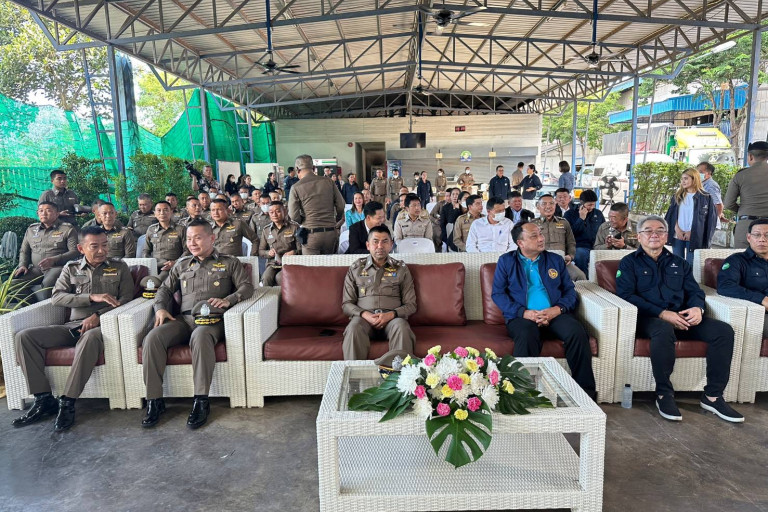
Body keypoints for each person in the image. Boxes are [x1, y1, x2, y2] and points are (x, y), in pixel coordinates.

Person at [616, 216, 743, 423]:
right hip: (649, 319)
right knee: (663, 329)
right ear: (639, 236)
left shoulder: (680, 263)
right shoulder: (629, 263)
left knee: (723, 331)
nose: (654, 234)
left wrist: (697, 308)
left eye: (660, 230)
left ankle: (713, 396)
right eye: (648, 230)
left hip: (682, 317)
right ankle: (664, 393)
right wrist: (662, 313)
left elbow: (695, 291)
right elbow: (626, 295)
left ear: (667, 236)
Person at [11, 226, 134, 431]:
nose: (102, 250)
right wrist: (90, 297)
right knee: (25, 337)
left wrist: (98, 316)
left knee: (89, 338)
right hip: (72, 326)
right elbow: (57, 297)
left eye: (105, 245)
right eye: (95, 246)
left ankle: (67, 401)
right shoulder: (71, 268)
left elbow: (127, 299)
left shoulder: (120, 267)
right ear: (81, 248)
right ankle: (43, 398)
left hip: (103, 327)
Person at [140, 220, 253, 429]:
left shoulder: (229, 262)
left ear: (212, 238)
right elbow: (164, 290)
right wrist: (160, 308)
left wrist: (229, 300)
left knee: (200, 336)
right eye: (189, 239)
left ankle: (201, 401)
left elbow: (246, 287)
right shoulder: (181, 264)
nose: (192, 243)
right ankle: (154, 400)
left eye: (198, 238)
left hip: (212, 321)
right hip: (183, 320)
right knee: (153, 338)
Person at [492, 220, 596, 397]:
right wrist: (524, 313)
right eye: (534, 236)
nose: (541, 238)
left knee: (577, 332)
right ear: (520, 242)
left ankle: (585, 394)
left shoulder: (554, 260)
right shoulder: (506, 261)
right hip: (522, 317)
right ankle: (522, 395)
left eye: (540, 234)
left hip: (555, 314)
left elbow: (569, 291)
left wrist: (558, 309)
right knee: (526, 334)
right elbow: (498, 294)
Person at [341, 225, 416, 360]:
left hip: (393, 320)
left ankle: (399, 373)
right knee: (353, 328)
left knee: (402, 327)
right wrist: (365, 315)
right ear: (368, 245)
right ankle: (354, 373)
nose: (380, 246)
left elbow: (411, 305)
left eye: (384, 241)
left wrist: (390, 315)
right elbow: (347, 304)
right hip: (364, 320)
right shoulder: (356, 268)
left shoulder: (401, 269)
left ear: (391, 245)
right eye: (375, 241)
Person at [14, 201, 79, 303]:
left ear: (57, 213)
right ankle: (32, 306)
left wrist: (54, 260)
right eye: (41, 211)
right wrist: (23, 265)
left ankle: (48, 309)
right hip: (36, 269)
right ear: (37, 213)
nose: (44, 213)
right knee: (13, 285)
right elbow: (24, 251)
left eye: (48, 211)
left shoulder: (67, 229)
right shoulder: (31, 229)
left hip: (57, 267)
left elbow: (75, 251)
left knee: (48, 284)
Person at [718, 219, 768, 339]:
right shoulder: (737, 260)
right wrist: (761, 299)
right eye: (757, 235)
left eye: (767, 235)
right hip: (759, 315)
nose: (762, 239)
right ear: (749, 237)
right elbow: (725, 286)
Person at [288, 154, 346, 255]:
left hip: (311, 234)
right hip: (330, 233)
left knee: (311, 265)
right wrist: (335, 220)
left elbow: (293, 215)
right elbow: (341, 205)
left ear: (297, 169)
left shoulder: (296, 187)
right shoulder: (329, 182)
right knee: (330, 264)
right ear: (314, 167)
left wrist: (303, 220)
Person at [664, 168, 716, 264]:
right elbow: (671, 215)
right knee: (677, 264)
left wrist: (692, 232)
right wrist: (677, 229)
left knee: (691, 265)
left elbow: (710, 221)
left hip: (695, 237)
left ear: (694, 179)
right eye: (682, 179)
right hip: (677, 235)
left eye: (686, 178)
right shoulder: (677, 196)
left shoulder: (706, 197)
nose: (683, 181)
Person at [724, 141, 768, 249]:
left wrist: (743, 210)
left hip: (747, 227)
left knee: (742, 258)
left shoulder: (741, 176)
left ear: (750, 156)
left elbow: (728, 203)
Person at [533, 194, 586, 281]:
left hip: (561, 261)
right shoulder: (532, 224)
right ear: (538, 207)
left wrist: (570, 256)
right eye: (544, 204)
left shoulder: (564, 222)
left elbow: (571, 242)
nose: (548, 206)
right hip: (540, 261)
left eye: (551, 203)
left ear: (555, 205)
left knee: (579, 276)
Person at [259, 201, 301, 286]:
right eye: (271, 212)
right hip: (273, 263)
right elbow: (261, 251)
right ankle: (268, 295)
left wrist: (294, 252)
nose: (274, 215)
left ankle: (285, 295)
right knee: (266, 278)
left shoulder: (294, 227)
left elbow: (302, 248)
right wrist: (268, 253)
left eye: (278, 211)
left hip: (290, 262)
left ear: (284, 211)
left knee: (280, 277)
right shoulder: (266, 230)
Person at [143, 201, 186, 283]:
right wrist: (149, 263)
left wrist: (175, 262)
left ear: (171, 212)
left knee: (158, 280)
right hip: (154, 265)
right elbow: (146, 251)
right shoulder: (151, 229)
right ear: (155, 213)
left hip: (172, 266)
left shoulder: (181, 229)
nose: (162, 213)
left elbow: (187, 251)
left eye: (165, 210)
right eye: (159, 210)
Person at [564, 189, 604, 275]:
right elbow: (570, 234)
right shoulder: (569, 214)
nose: (592, 207)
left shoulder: (598, 213)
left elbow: (603, 229)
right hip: (579, 246)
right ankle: (584, 279)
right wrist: (581, 219)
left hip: (596, 245)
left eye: (593, 204)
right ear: (581, 203)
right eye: (589, 205)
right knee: (580, 254)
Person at [697, 161, 728, 228]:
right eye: (697, 172)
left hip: (708, 224)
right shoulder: (703, 184)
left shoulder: (711, 186)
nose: (698, 174)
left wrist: (714, 219)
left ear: (709, 173)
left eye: (701, 172)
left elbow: (718, 205)